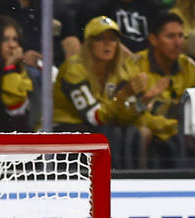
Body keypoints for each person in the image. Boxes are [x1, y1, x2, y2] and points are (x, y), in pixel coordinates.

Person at [52, 14, 150, 167]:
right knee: (110, 135)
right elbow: (95, 117)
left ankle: (132, 183)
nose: (107, 44)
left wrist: (142, 101)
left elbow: (123, 115)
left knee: (134, 133)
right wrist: (124, 94)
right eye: (99, 39)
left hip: (97, 128)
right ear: (89, 44)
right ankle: (112, 182)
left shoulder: (119, 72)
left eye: (112, 39)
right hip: (64, 128)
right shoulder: (73, 70)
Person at [116, 11, 195, 164]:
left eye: (181, 36)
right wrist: (167, 126)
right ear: (153, 39)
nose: (178, 43)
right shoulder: (133, 65)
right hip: (150, 128)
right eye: (170, 37)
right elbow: (127, 111)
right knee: (142, 134)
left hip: (179, 130)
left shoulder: (191, 68)